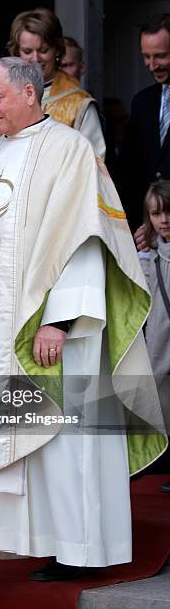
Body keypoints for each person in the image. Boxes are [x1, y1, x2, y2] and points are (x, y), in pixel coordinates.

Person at [0, 58, 167, 595]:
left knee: (64, 445)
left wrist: (61, 320)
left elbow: (86, 240)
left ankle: (75, 551)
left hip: (42, 325)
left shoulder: (70, 151)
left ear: (27, 93)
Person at [0, 8, 105, 158]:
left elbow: (93, 162)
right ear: (16, 51)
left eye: (43, 50)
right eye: (27, 51)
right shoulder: (2, 95)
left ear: (57, 50)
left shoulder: (78, 103)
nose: (35, 58)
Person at [117, 13, 170, 234]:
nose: (152, 65)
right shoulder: (142, 102)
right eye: (146, 57)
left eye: (160, 56)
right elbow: (130, 171)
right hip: (149, 233)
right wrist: (141, 226)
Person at [138, 180, 170, 492]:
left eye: (168, 212)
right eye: (157, 214)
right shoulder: (151, 253)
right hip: (159, 341)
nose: (165, 220)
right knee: (162, 403)